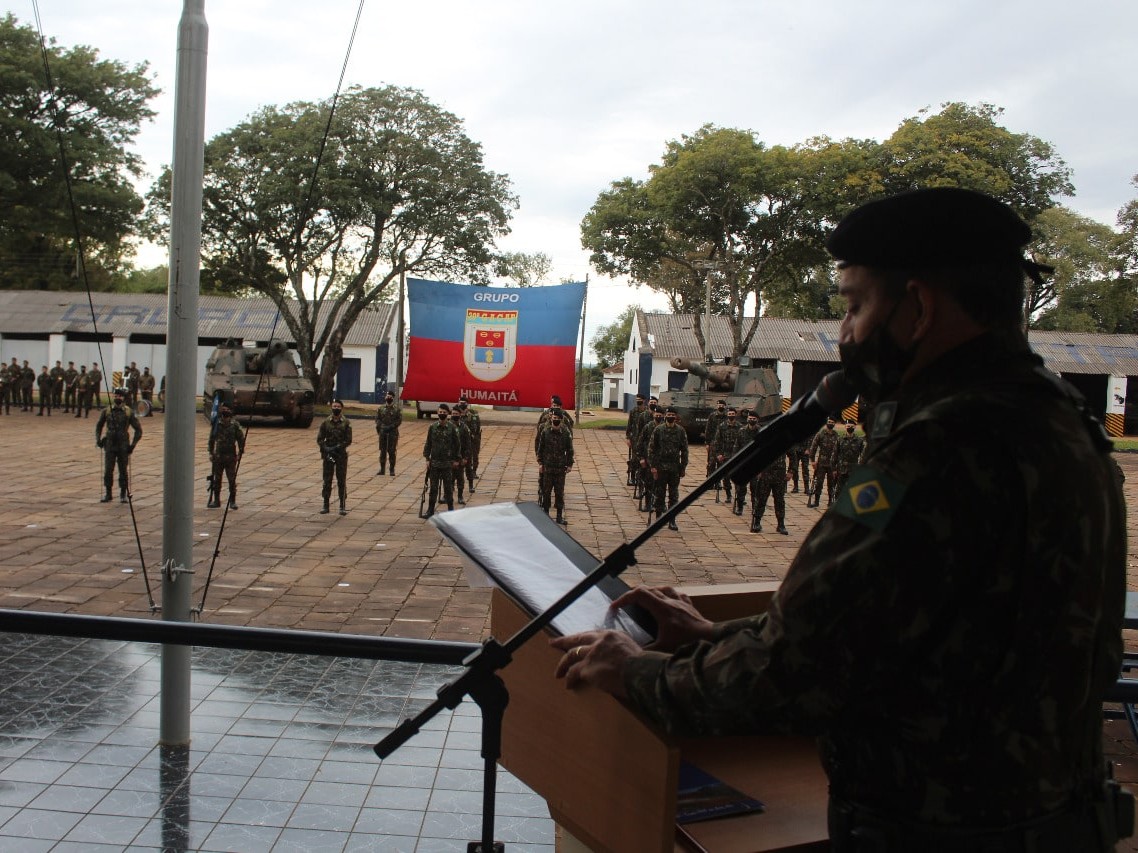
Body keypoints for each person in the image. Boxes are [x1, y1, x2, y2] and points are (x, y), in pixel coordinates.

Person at [550, 188, 1130, 852]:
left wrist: (635, 670)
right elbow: (924, 637)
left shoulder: (934, 452)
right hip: (1058, 822)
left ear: (919, 305)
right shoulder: (1060, 422)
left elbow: (795, 674)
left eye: (855, 305)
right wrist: (716, 634)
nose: (847, 333)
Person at [95, 388, 142, 503]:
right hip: (110, 445)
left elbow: (138, 430)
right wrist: (98, 440)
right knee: (108, 470)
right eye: (115, 396)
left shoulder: (128, 412)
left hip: (123, 445)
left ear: (123, 398)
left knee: (123, 471)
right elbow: (99, 426)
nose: (117, 398)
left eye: (119, 396)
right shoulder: (107, 411)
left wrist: (133, 445)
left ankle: (123, 494)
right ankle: (108, 493)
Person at [647, 406, 688, 530]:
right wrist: (653, 466)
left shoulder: (680, 431)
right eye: (668, 414)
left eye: (673, 415)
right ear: (665, 415)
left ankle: (672, 520)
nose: (670, 417)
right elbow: (651, 449)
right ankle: (658, 519)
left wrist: (683, 467)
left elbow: (684, 450)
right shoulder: (658, 430)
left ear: (676, 417)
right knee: (660, 494)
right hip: (660, 467)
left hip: (674, 467)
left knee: (673, 495)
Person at [536, 406, 574, 524]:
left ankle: (559, 516)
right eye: (554, 418)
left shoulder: (565, 432)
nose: (555, 420)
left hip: (560, 468)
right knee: (546, 492)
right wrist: (540, 463)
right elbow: (540, 449)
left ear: (561, 419)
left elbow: (570, 449)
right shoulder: (546, 432)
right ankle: (546, 514)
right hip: (548, 467)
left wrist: (569, 465)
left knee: (559, 493)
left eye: (557, 418)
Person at [422, 403, 461, 518]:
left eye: (444, 412)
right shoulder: (432, 427)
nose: (442, 414)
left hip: (447, 463)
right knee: (433, 488)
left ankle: (450, 511)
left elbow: (457, 445)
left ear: (448, 414)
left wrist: (456, 460)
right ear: (437, 412)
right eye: (440, 412)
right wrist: (427, 459)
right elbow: (428, 443)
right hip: (434, 463)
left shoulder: (452, 428)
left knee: (448, 489)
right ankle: (430, 511)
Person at [316, 399, 352, 515]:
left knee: (341, 480)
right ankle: (325, 504)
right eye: (334, 406)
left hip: (340, 455)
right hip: (329, 456)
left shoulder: (346, 422)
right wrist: (326, 448)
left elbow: (348, 439)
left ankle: (342, 505)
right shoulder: (326, 422)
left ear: (342, 408)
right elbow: (320, 439)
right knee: (327, 480)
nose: (336, 408)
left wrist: (338, 447)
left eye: (338, 407)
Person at [208, 404, 245, 509]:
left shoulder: (235, 425)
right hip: (218, 456)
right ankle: (216, 500)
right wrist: (210, 452)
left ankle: (232, 501)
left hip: (230, 457)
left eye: (227, 409)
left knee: (231, 480)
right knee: (216, 480)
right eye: (223, 409)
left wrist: (240, 453)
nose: (225, 411)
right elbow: (211, 439)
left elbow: (241, 439)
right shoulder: (217, 424)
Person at [709, 406, 741, 504]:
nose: (731, 415)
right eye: (729, 414)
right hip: (725, 455)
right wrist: (718, 454)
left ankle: (739, 496)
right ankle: (728, 494)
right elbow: (717, 441)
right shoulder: (722, 426)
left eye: (733, 414)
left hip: (736, 454)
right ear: (727, 415)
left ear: (735, 415)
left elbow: (742, 441)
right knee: (726, 477)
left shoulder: (740, 427)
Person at [807, 417, 840, 508]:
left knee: (831, 483)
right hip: (821, 463)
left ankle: (830, 501)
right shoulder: (820, 434)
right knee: (818, 483)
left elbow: (839, 451)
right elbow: (813, 448)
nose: (830, 423)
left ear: (834, 424)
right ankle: (816, 501)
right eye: (829, 422)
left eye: (832, 422)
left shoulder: (837, 435)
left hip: (832, 464)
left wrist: (837, 465)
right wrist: (813, 461)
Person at [832, 420, 866, 497]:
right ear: (845, 427)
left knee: (852, 490)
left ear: (855, 427)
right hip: (841, 469)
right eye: (848, 426)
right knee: (838, 491)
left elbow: (863, 455)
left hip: (853, 469)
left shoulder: (859, 441)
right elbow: (835, 454)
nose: (850, 428)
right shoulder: (840, 439)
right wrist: (834, 469)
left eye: (852, 426)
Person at [375, 390, 401, 476]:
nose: (388, 398)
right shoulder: (380, 408)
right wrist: (382, 426)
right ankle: (382, 469)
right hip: (383, 433)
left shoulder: (397, 409)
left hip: (392, 433)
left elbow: (399, 420)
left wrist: (391, 426)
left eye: (390, 396)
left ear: (393, 398)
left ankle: (392, 469)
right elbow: (377, 419)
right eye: (387, 396)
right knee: (382, 451)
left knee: (392, 451)